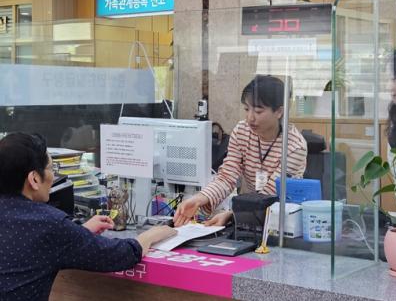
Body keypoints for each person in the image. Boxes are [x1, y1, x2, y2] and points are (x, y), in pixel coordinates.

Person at [0, 132, 176, 301]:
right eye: (52, 168)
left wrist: (78, 232)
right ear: (34, 179)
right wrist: (152, 234)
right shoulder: (49, 223)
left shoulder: (48, 227)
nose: (54, 176)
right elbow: (121, 255)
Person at [173, 75, 307, 227]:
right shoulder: (242, 131)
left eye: (258, 111)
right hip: (247, 217)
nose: (250, 118)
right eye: (246, 109)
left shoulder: (294, 146)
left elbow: (271, 195)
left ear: (279, 112)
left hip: (280, 223)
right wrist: (199, 198)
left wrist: (233, 215)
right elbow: (227, 176)